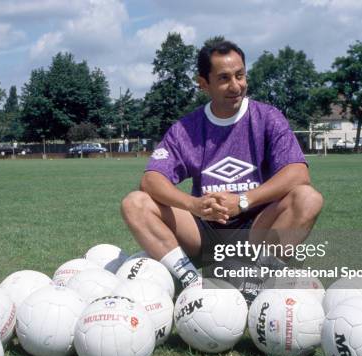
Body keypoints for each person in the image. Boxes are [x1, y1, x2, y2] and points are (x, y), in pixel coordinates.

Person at [121, 39, 323, 294]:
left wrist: (242, 201)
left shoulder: (268, 118)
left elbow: (298, 173)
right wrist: (193, 205)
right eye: (224, 78)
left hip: (254, 229)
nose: (236, 86)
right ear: (203, 83)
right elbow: (151, 180)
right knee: (135, 202)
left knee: (308, 198)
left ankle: (257, 282)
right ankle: (191, 282)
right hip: (203, 231)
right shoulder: (187, 128)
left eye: (240, 75)